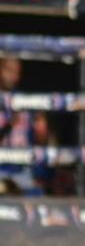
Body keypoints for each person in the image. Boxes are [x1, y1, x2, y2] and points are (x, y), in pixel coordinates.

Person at [0, 57, 54, 195]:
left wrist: (42, 130)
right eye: (10, 71)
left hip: (22, 170)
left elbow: (41, 140)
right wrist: (8, 125)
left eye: (17, 72)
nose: (14, 76)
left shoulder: (25, 100)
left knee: (36, 202)